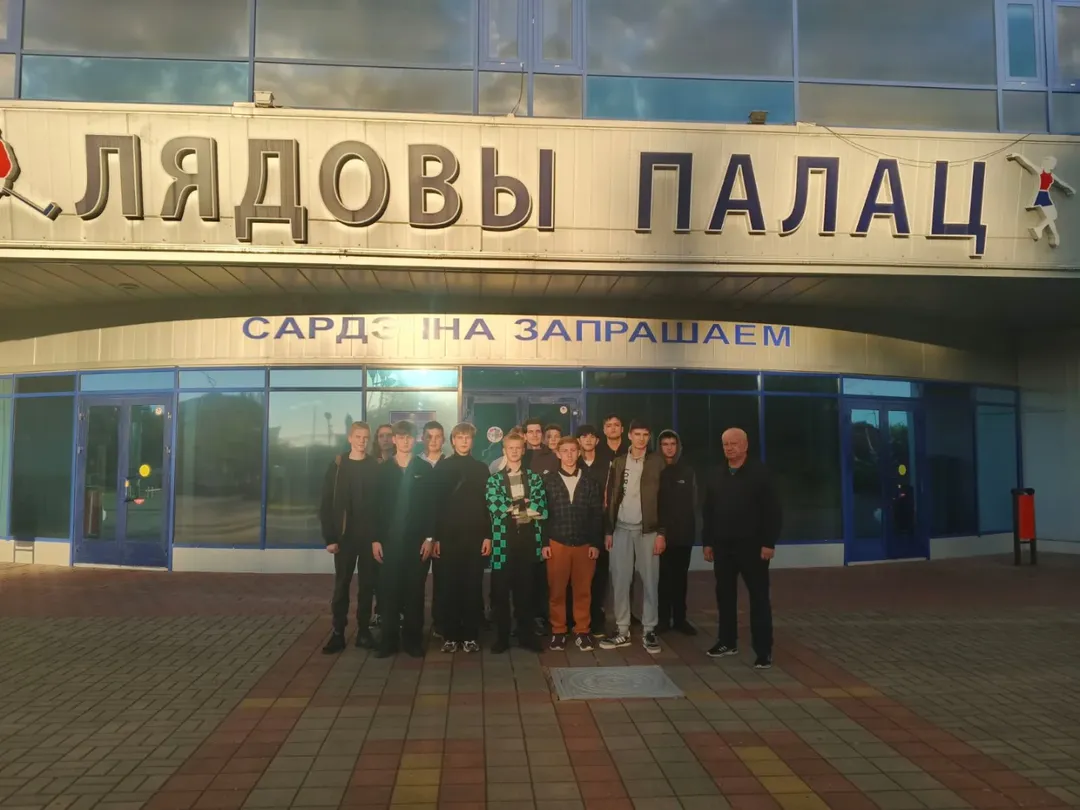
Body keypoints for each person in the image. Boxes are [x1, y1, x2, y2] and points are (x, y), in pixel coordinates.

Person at [702, 427, 781, 669]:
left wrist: (768, 543)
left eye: (734, 443)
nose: (729, 448)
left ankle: (763, 651)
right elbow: (708, 511)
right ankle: (727, 642)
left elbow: (772, 510)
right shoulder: (716, 474)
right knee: (725, 596)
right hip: (723, 547)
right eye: (725, 444)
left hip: (753, 548)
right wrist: (707, 542)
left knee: (759, 598)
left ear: (745, 445)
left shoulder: (760, 474)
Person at [600, 420, 666, 654]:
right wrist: (608, 531)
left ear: (649, 437)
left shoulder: (657, 462)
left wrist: (661, 533)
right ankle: (622, 629)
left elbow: (665, 500)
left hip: (648, 529)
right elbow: (611, 497)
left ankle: (649, 629)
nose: (641, 438)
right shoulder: (619, 462)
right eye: (637, 434)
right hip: (621, 528)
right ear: (629, 435)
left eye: (645, 434)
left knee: (650, 580)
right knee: (620, 580)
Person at [372, 421, 437, 659]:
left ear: (415, 439)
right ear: (394, 440)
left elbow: (432, 507)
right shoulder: (383, 470)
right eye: (401, 437)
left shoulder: (424, 468)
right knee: (388, 592)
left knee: (414, 593)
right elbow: (375, 508)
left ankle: (412, 641)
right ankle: (388, 641)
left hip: (416, 542)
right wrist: (376, 539)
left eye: (409, 437)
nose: (405, 441)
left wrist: (429, 538)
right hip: (389, 542)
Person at [319, 421, 380, 654]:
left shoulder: (375, 466)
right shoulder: (338, 466)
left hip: (369, 537)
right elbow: (326, 504)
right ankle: (338, 633)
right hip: (344, 538)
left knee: (367, 586)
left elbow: (382, 505)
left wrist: (378, 537)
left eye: (365, 437)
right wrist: (330, 538)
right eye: (358, 437)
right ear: (350, 438)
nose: (362, 441)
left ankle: (363, 631)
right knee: (342, 585)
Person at [430, 423, 491, 654]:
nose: (464, 441)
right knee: (448, 586)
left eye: (468, 438)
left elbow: (488, 506)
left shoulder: (481, 469)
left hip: (475, 537)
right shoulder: (443, 468)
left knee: (472, 586)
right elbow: (435, 505)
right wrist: (434, 538)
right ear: (453, 441)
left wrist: (488, 536)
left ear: (472, 441)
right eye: (460, 437)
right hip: (447, 538)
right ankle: (450, 635)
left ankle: (470, 636)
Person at [486, 432, 547, 653]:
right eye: (510, 448)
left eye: (518, 447)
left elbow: (541, 509)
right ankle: (502, 638)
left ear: (523, 450)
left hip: (528, 541)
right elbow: (496, 508)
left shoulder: (535, 478)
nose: (514, 451)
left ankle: (526, 636)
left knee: (526, 593)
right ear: (504, 451)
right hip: (502, 542)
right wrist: (524, 505)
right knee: (501, 594)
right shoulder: (494, 480)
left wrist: (513, 505)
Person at [543, 436, 603, 652]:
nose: (569, 455)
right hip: (557, 542)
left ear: (579, 453)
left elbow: (597, 514)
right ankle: (558, 631)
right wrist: (544, 542)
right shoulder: (547, 481)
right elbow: (543, 514)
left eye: (572, 451)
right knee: (556, 591)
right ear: (558, 454)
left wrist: (595, 543)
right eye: (565, 451)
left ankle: (582, 631)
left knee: (583, 590)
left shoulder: (590, 481)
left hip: (584, 544)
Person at [656, 429, 698, 636]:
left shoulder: (687, 472)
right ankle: (663, 619)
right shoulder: (655, 471)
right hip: (660, 535)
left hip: (683, 535)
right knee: (663, 578)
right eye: (665, 444)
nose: (669, 448)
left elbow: (693, 502)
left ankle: (680, 619)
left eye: (672, 444)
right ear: (659, 447)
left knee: (680, 579)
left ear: (678, 446)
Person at [575, 424, 611, 637]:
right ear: (578, 441)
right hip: (577, 527)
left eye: (592, 436)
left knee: (600, 575)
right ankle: (577, 619)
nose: (588, 440)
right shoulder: (572, 462)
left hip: (601, 525)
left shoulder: (607, 464)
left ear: (597, 440)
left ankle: (597, 618)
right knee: (578, 576)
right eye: (584, 436)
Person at [420, 421, 445, 636]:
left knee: (443, 582)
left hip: (444, 534)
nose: (433, 440)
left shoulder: (450, 464)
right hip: (419, 535)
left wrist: (438, 537)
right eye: (429, 436)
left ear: (444, 439)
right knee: (415, 582)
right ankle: (414, 623)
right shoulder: (414, 464)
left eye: (438, 436)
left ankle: (440, 622)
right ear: (422, 438)